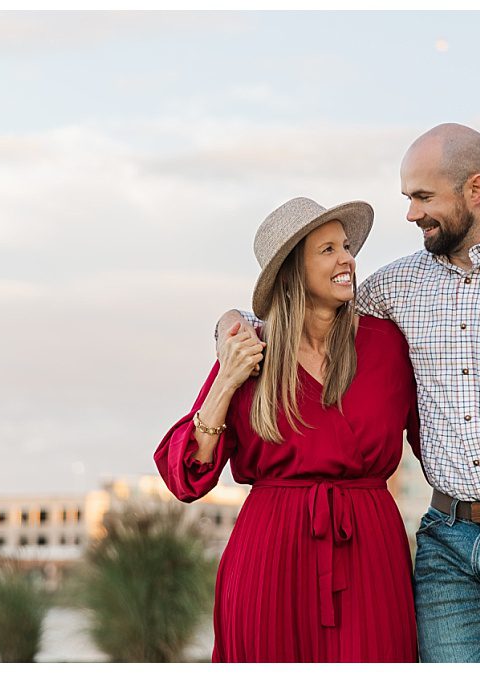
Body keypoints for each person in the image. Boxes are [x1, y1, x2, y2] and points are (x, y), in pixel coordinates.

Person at [215, 123, 480, 663]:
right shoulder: (397, 287)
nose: (411, 214)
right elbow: (301, 301)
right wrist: (231, 320)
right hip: (447, 548)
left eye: (423, 197)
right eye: (407, 198)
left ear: (475, 189)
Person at [154, 197, 421, 663]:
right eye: (328, 250)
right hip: (270, 554)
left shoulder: (386, 346)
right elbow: (187, 479)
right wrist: (226, 380)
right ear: (292, 273)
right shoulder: (250, 352)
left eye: (346, 246)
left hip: (370, 550)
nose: (347, 260)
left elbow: (439, 439)